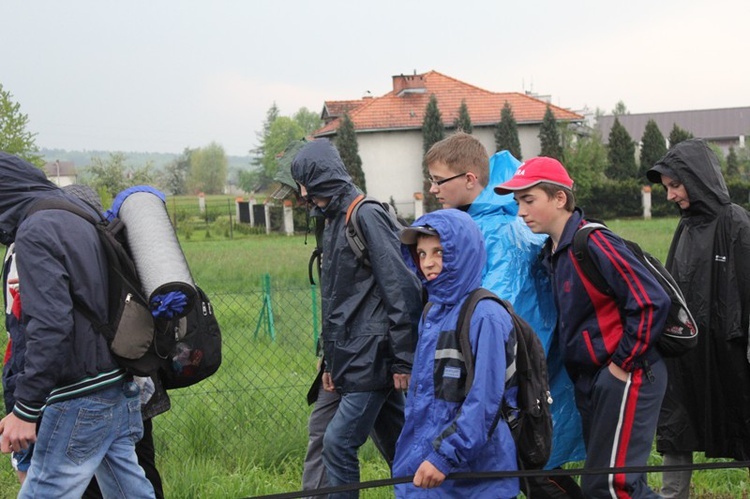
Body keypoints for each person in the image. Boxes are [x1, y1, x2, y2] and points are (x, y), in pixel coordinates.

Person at [495, 156, 671, 498]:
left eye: (529, 200)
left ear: (560, 198)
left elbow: (651, 301)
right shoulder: (553, 252)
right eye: (517, 203)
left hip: (630, 374)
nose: (520, 212)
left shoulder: (592, 243)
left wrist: (622, 364)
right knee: (616, 484)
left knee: (610, 486)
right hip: (595, 380)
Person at [424, 132, 585, 497]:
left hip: (514, 366)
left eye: (438, 180)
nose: (433, 189)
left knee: (529, 461)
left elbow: (496, 304)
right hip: (521, 362)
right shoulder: (490, 221)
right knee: (530, 460)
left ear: (469, 179)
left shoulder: (496, 229)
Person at [0, 152, 155, 498]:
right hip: (117, 383)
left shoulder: (35, 230)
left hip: (80, 396)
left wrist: (25, 410)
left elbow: (51, 326)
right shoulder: (78, 216)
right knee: (130, 492)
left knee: (44, 491)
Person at [290, 139, 422, 499]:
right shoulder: (332, 221)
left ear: (321, 178)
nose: (302, 193)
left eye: (304, 182)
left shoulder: (365, 215)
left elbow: (400, 288)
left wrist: (403, 358)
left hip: (373, 358)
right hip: (346, 356)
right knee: (399, 446)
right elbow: (336, 299)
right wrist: (329, 359)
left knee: (337, 442)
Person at [646, 138, 750, 498]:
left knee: (742, 414)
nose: (671, 195)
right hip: (687, 352)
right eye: (667, 188)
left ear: (697, 179)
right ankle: (674, 494)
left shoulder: (736, 222)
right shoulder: (686, 226)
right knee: (678, 419)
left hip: (730, 351)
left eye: (675, 185)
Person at [393, 208, 519, 498]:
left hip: (475, 478)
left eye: (439, 251)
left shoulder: (485, 315)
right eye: (422, 254)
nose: (428, 263)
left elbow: (485, 401)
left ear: (463, 252)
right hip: (431, 474)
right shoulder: (432, 311)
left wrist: (445, 457)